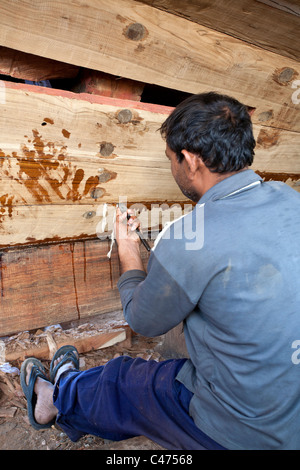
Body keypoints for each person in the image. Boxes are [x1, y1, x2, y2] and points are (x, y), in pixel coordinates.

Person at [21, 92, 300, 450]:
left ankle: (54, 400)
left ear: (190, 160)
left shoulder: (191, 236)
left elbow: (143, 321)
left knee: (124, 382)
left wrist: (127, 248)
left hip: (245, 434)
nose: (172, 168)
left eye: (171, 159)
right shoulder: (290, 198)